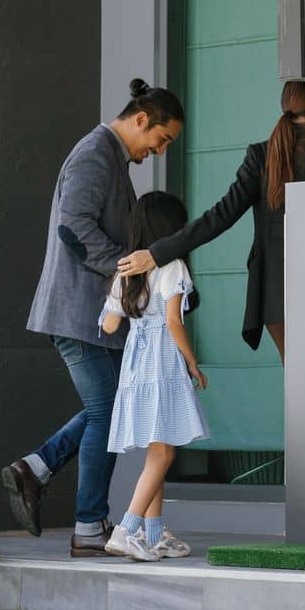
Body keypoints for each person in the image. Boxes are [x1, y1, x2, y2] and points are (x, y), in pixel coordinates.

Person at [2, 80, 184, 556]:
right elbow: (73, 227)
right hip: (79, 313)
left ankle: (37, 469)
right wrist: (130, 270)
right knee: (109, 410)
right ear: (142, 119)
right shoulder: (94, 155)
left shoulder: (111, 159)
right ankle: (88, 526)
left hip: (90, 313)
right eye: (162, 139)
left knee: (116, 403)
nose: (160, 151)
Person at [118, 81, 305, 360]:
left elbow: (220, 216)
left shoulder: (263, 155)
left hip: (276, 290)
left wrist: (157, 253)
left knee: (300, 381)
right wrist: (157, 254)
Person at [98, 192, 210, 562]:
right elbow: (174, 322)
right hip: (161, 361)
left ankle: (155, 533)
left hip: (135, 364)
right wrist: (193, 362)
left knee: (156, 447)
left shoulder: (125, 269)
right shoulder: (173, 264)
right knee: (163, 452)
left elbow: (111, 324)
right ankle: (127, 530)